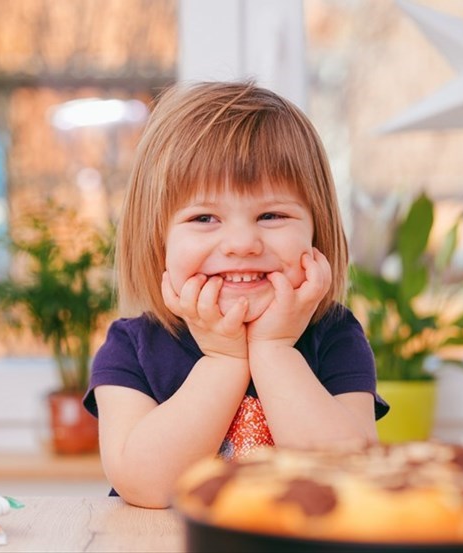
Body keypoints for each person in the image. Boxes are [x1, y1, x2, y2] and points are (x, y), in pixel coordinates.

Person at [83, 81, 389, 509]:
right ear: (158, 242)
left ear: (317, 232)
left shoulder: (335, 336)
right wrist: (224, 360)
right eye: (205, 217)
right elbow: (145, 486)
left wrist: (275, 351)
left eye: (272, 214)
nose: (242, 243)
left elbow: (349, 481)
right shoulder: (132, 347)